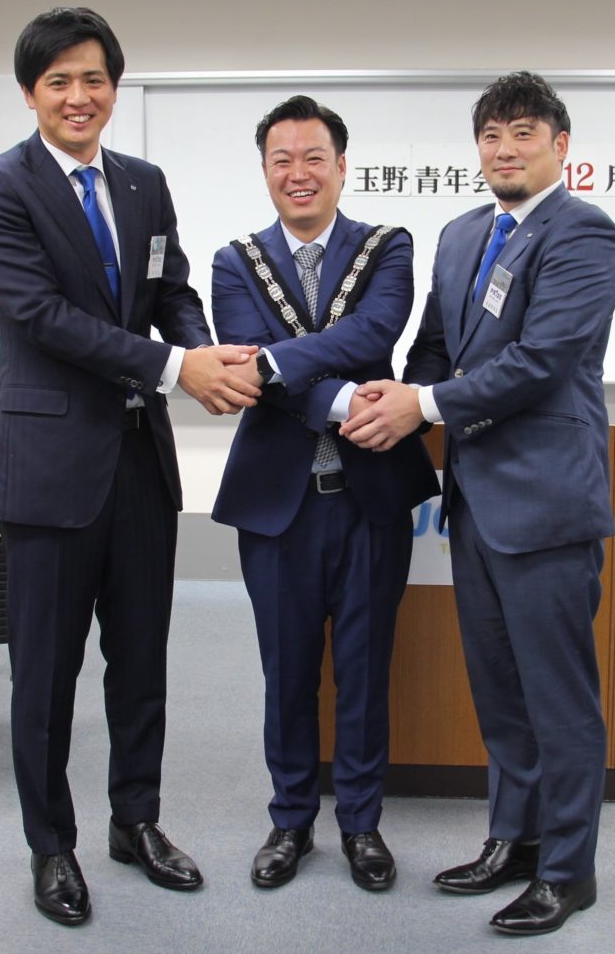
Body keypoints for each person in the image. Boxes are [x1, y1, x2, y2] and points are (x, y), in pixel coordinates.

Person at [0, 7, 260, 926]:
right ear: (31, 93)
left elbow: (171, 291)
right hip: (50, 469)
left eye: (94, 79)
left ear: (114, 89)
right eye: (59, 81)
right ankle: (51, 845)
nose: (78, 96)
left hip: (139, 464)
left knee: (139, 663)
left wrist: (206, 353)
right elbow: (41, 316)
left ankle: (137, 821)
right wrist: (175, 368)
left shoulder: (142, 183)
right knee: (46, 675)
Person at [340, 71, 615, 935]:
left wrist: (422, 406)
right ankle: (515, 839)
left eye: (524, 132)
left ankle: (568, 871)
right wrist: (405, 392)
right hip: (476, 500)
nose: (505, 149)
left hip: (546, 501)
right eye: (492, 135)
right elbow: (435, 344)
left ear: (561, 146)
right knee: (498, 689)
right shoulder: (464, 233)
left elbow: (541, 360)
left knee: (559, 697)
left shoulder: (583, 233)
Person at [210, 95, 439, 892]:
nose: (299, 173)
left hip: (370, 500)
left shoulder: (386, 245)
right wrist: (341, 400)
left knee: (367, 670)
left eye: (314, 158)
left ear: (342, 166)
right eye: (283, 160)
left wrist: (277, 361)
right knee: (288, 671)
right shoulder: (234, 262)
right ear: (265, 170)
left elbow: (376, 332)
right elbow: (249, 371)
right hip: (278, 507)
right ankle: (290, 820)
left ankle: (362, 825)